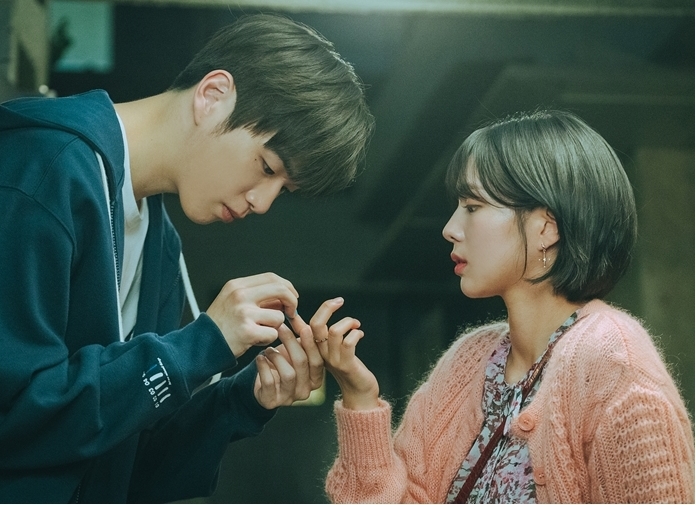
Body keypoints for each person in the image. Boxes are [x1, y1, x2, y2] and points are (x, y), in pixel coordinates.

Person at [0, 13, 373, 503]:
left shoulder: (160, 246)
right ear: (213, 96)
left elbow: (128, 469)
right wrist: (199, 344)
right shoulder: (43, 169)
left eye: (284, 190)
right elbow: (14, 418)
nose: (262, 202)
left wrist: (244, 399)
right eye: (267, 167)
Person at [308, 110, 694, 503]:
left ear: (546, 228)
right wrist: (360, 398)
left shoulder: (613, 363)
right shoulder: (468, 361)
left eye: (473, 206)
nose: (450, 228)